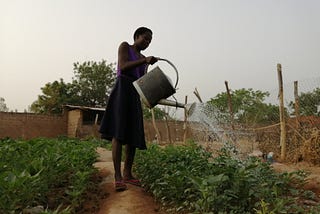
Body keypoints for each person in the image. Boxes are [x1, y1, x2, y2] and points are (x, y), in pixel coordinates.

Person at [99, 27, 158, 191]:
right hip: (122, 89)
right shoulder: (125, 47)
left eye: (149, 41)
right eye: (145, 39)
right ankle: (118, 176)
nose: (147, 43)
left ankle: (128, 174)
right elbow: (123, 66)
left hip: (134, 93)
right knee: (118, 132)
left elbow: (142, 81)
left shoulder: (142, 58)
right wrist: (145, 61)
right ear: (137, 36)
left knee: (132, 134)